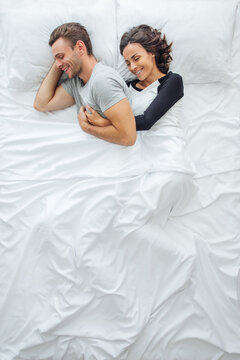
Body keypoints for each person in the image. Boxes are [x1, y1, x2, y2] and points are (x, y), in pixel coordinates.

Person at [33, 22, 136, 146]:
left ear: (80, 48)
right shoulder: (77, 83)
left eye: (61, 56)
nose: (58, 64)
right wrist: (60, 61)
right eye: (56, 59)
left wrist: (87, 128)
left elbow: (129, 137)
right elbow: (42, 104)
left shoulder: (102, 81)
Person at [82, 24, 184, 133]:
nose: (133, 67)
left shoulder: (173, 81)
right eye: (128, 63)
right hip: (135, 147)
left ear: (152, 51)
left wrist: (105, 122)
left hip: (166, 144)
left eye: (136, 58)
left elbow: (146, 121)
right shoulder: (127, 87)